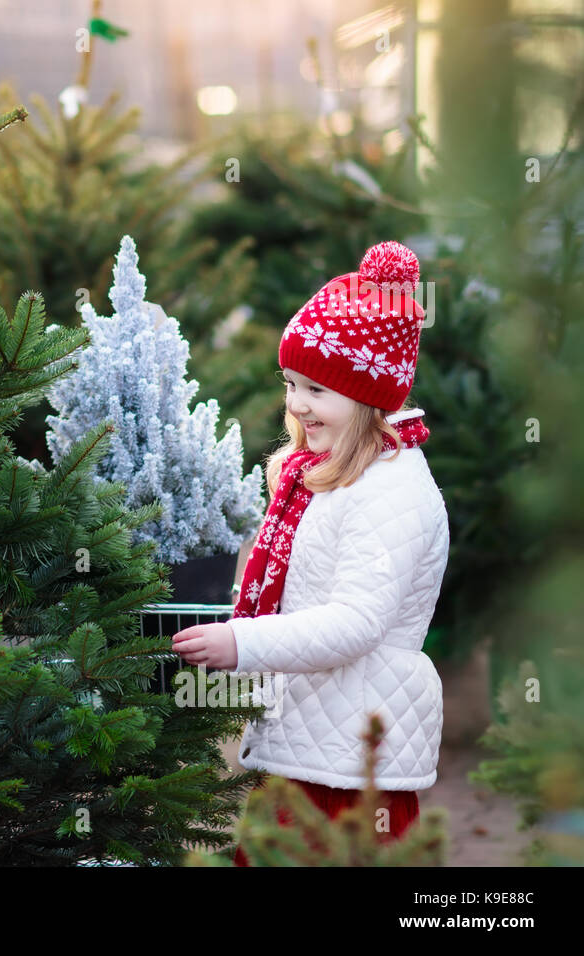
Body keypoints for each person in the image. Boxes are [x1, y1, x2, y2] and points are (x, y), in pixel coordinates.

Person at [170, 241, 449, 865]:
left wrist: (243, 643)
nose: (296, 404)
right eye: (291, 383)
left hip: (355, 760)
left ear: (370, 394)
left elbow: (355, 622)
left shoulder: (392, 489)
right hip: (310, 739)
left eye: (317, 390)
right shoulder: (324, 473)